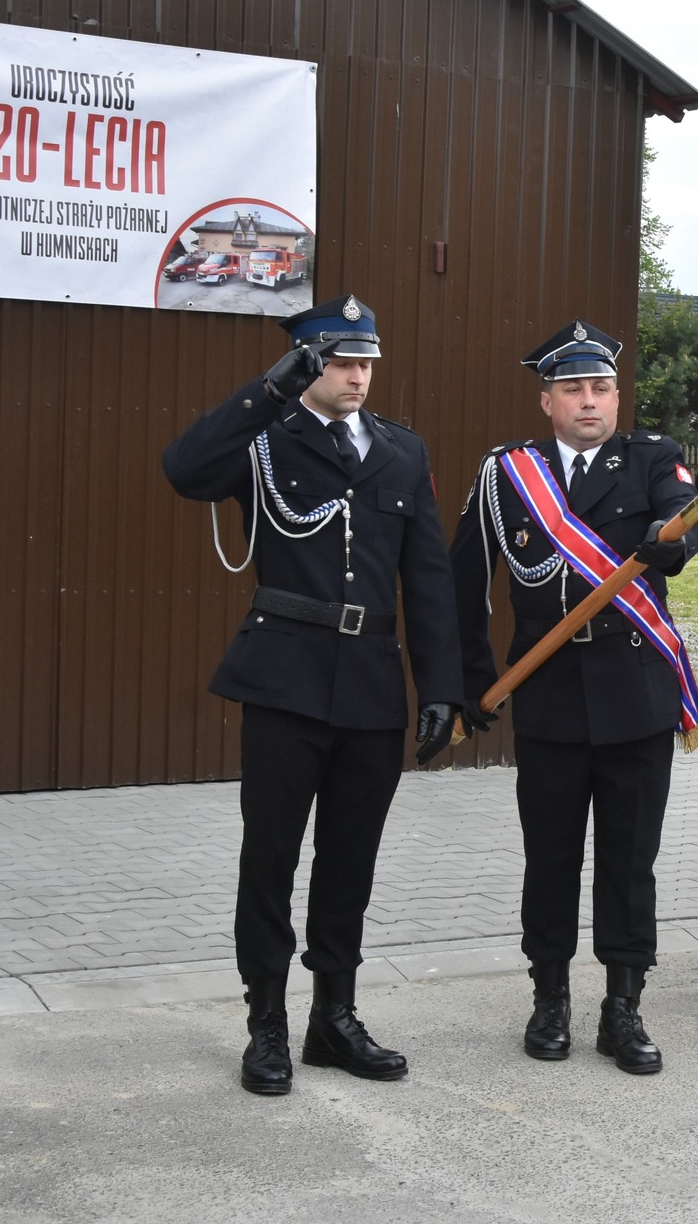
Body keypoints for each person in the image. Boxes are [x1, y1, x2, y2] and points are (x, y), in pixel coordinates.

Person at [161, 295, 462, 1096]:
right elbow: (184, 468)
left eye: (367, 361)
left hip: (371, 683)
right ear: (306, 361)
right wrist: (269, 389)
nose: (358, 374)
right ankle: (267, 1020)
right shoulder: (265, 438)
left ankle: (334, 1015)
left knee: (349, 863)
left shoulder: (401, 451)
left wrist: (441, 687)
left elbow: (427, 577)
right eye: (340, 359)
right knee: (271, 858)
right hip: (285, 678)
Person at [450, 321, 698, 1075]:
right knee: (551, 857)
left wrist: (672, 540)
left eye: (600, 388)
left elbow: (681, 522)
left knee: (631, 861)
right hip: (552, 700)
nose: (589, 401)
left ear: (615, 396)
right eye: (573, 389)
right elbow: (463, 582)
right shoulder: (509, 476)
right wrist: (469, 682)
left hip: (636, 698)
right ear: (547, 401)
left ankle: (622, 1005)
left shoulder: (654, 458)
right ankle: (550, 996)